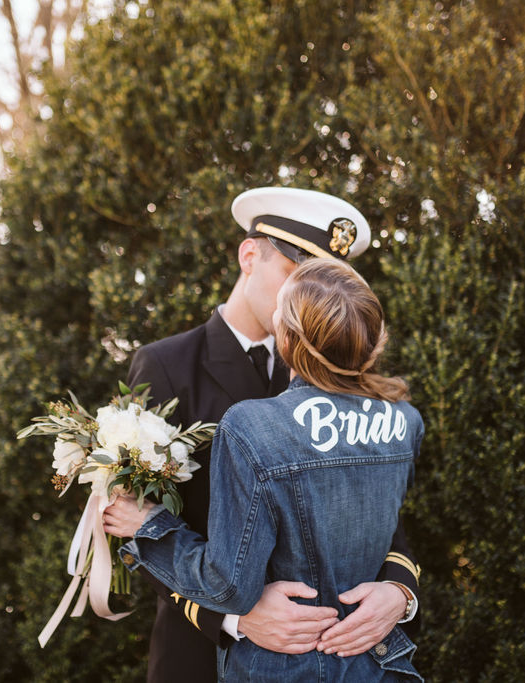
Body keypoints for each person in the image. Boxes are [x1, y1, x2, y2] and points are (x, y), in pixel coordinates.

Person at [114, 187, 421, 682]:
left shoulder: (339, 376)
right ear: (249, 255)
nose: (305, 298)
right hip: (199, 657)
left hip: (339, 653)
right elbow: (131, 515)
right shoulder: (166, 365)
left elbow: (380, 507)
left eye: (320, 283)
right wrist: (235, 617)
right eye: (295, 275)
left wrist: (398, 592)